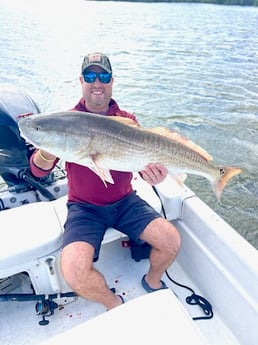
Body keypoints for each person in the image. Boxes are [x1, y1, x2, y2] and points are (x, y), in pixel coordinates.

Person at [30, 52, 181, 310]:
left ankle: (152, 281)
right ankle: (114, 304)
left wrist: (154, 175)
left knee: (171, 241)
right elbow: (37, 171)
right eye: (90, 76)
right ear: (81, 80)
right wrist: (46, 151)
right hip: (84, 209)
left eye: (103, 76)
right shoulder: (66, 121)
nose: (97, 82)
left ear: (112, 81)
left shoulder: (127, 121)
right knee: (74, 271)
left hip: (125, 202)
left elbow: (143, 166)